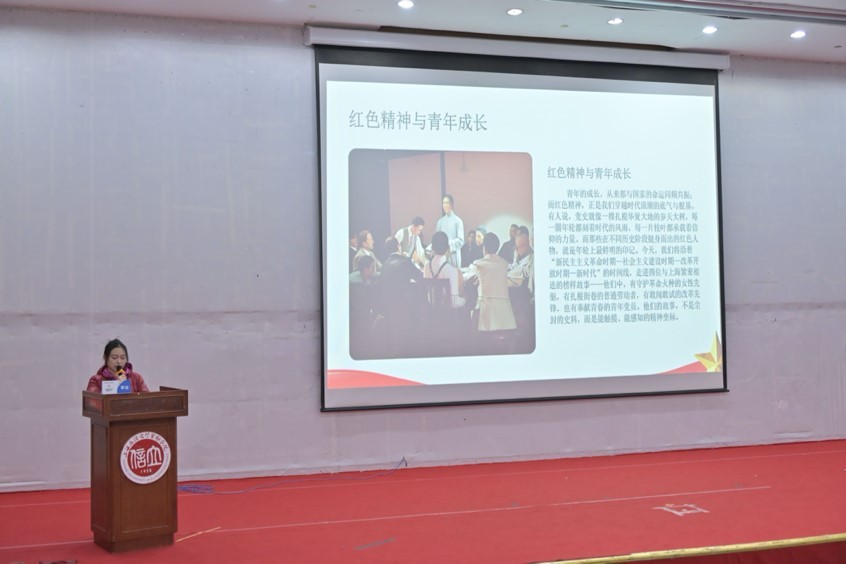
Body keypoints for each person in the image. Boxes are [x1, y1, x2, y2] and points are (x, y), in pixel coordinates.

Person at [466, 232, 516, 333]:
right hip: (506, 318)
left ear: (484, 247)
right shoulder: (504, 264)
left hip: (486, 317)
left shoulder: (478, 264)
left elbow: (467, 280)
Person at [425, 231, 465, 309]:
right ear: (448, 248)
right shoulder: (452, 271)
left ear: (432, 248)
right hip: (446, 315)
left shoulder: (427, 266)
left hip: (430, 312)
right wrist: (464, 299)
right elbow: (454, 303)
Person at [435, 194, 464, 268]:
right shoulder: (440, 222)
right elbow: (436, 239)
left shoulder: (458, 221)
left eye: (447, 203)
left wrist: (447, 244)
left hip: (453, 256)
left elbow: (461, 241)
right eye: (444, 203)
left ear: (452, 205)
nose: (445, 205)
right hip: (442, 256)